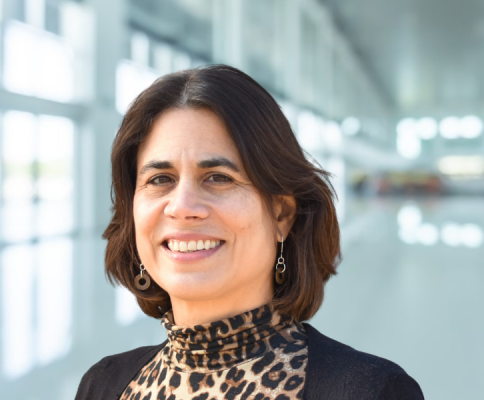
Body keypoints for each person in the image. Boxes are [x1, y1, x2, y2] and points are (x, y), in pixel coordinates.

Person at [75, 65, 424, 399]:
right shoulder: (103, 384)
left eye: (218, 178)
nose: (182, 206)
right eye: (160, 179)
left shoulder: (370, 391)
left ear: (282, 213)